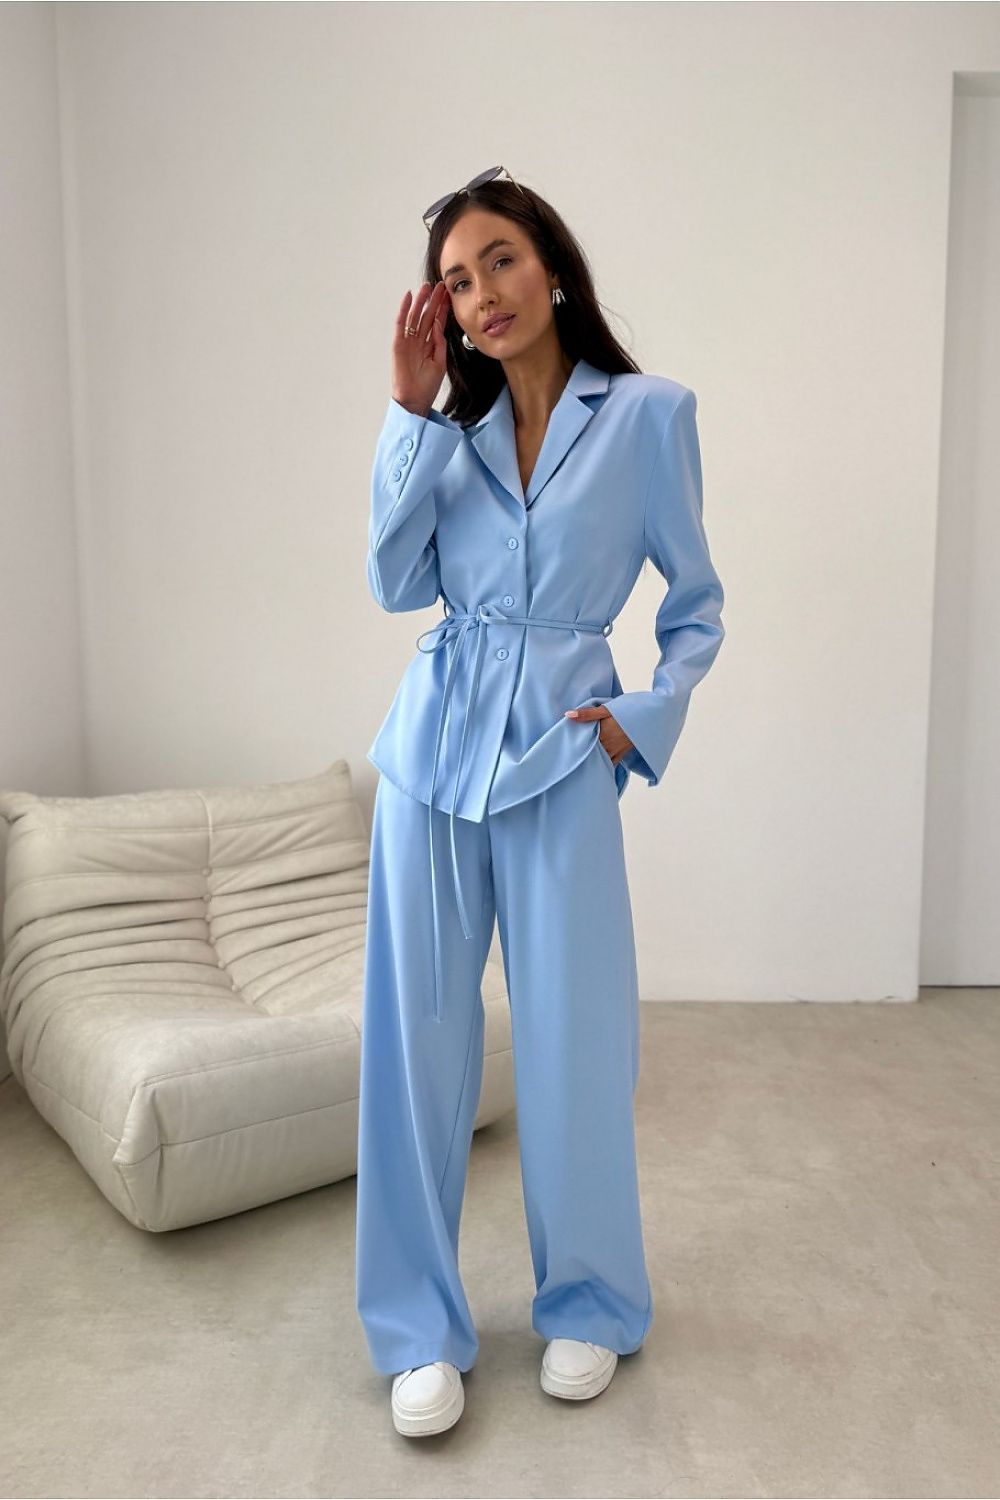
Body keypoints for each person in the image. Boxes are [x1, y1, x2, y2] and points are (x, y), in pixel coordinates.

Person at [355, 167, 726, 1438]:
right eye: (457, 281)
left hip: (562, 760)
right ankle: (416, 1327)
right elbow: (394, 582)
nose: (482, 295)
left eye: (499, 261)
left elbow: (696, 604)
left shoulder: (648, 416)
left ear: (552, 268)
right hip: (430, 762)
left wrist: (641, 716)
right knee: (415, 1050)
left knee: (575, 1039)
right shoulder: (445, 439)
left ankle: (591, 1301)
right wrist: (407, 411)